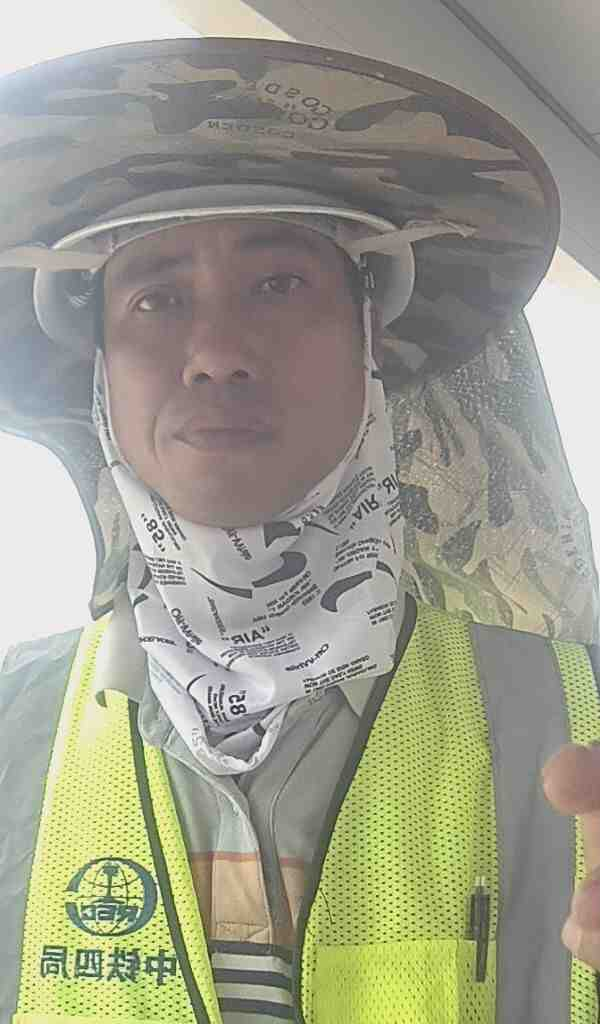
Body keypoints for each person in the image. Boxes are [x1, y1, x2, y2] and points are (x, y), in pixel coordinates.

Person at [1, 33, 600, 1024]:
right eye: (155, 297)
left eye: (278, 284)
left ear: (370, 341)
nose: (216, 351)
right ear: (102, 372)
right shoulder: (10, 723)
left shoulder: (580, 716)